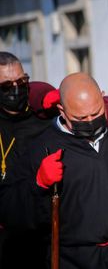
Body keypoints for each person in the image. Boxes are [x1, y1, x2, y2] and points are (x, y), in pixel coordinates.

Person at [3, 72, 108, 268]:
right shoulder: (41, 147)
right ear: (62, 110)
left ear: (103, 98)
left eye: (96, 113)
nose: (90, 121)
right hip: (75, 261)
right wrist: (38, 183)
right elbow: (10, 212)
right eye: (80, 117)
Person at [0, 51, 60, 269]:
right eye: (6, 86)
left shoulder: (44, 118)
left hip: (44, 232)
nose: (15, 90)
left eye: (21, 81)